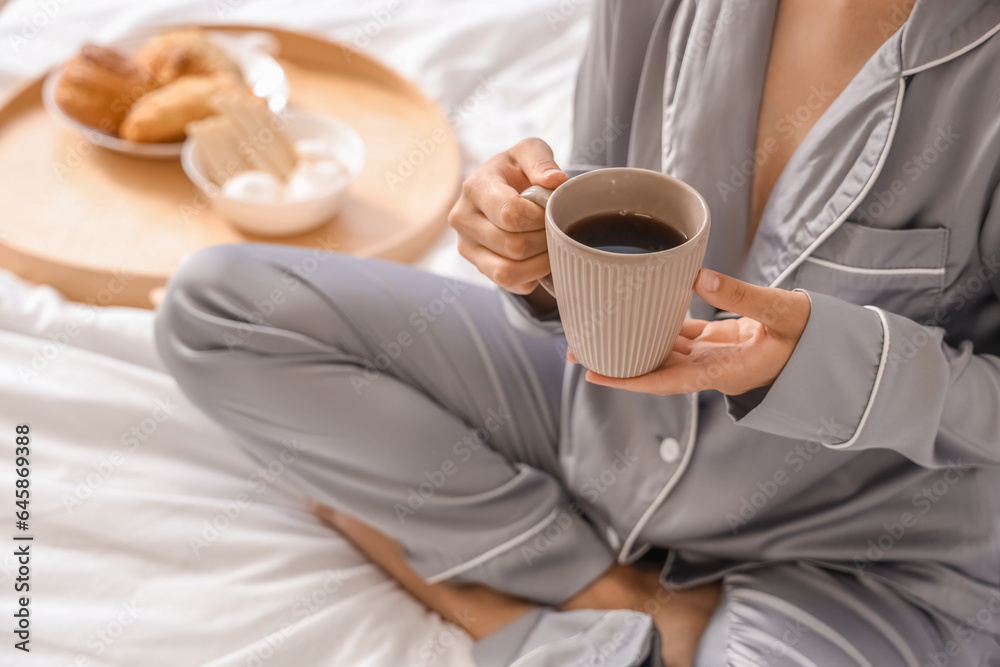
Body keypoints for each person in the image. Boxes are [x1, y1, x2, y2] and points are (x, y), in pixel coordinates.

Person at [154, 0, 1000, 664]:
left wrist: (830, 363)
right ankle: (610, 599)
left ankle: (479, 598)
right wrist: (528, 241)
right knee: (216, 308)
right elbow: (593, 186)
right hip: (600, 416)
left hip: (858, 541)